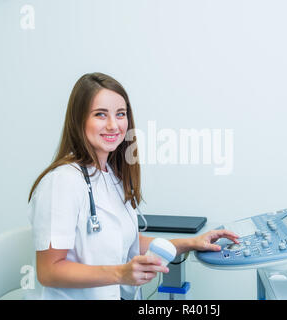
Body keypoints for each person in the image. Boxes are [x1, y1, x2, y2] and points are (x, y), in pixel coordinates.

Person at [26, 72, 239, 300]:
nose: (113, 125)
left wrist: (191, 243)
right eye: (100, 114)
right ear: (79, 120)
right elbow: (49, 271)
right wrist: (120, 273)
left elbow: (129, 243)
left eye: (120, 114)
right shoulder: (62, 182)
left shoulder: (112, 175)